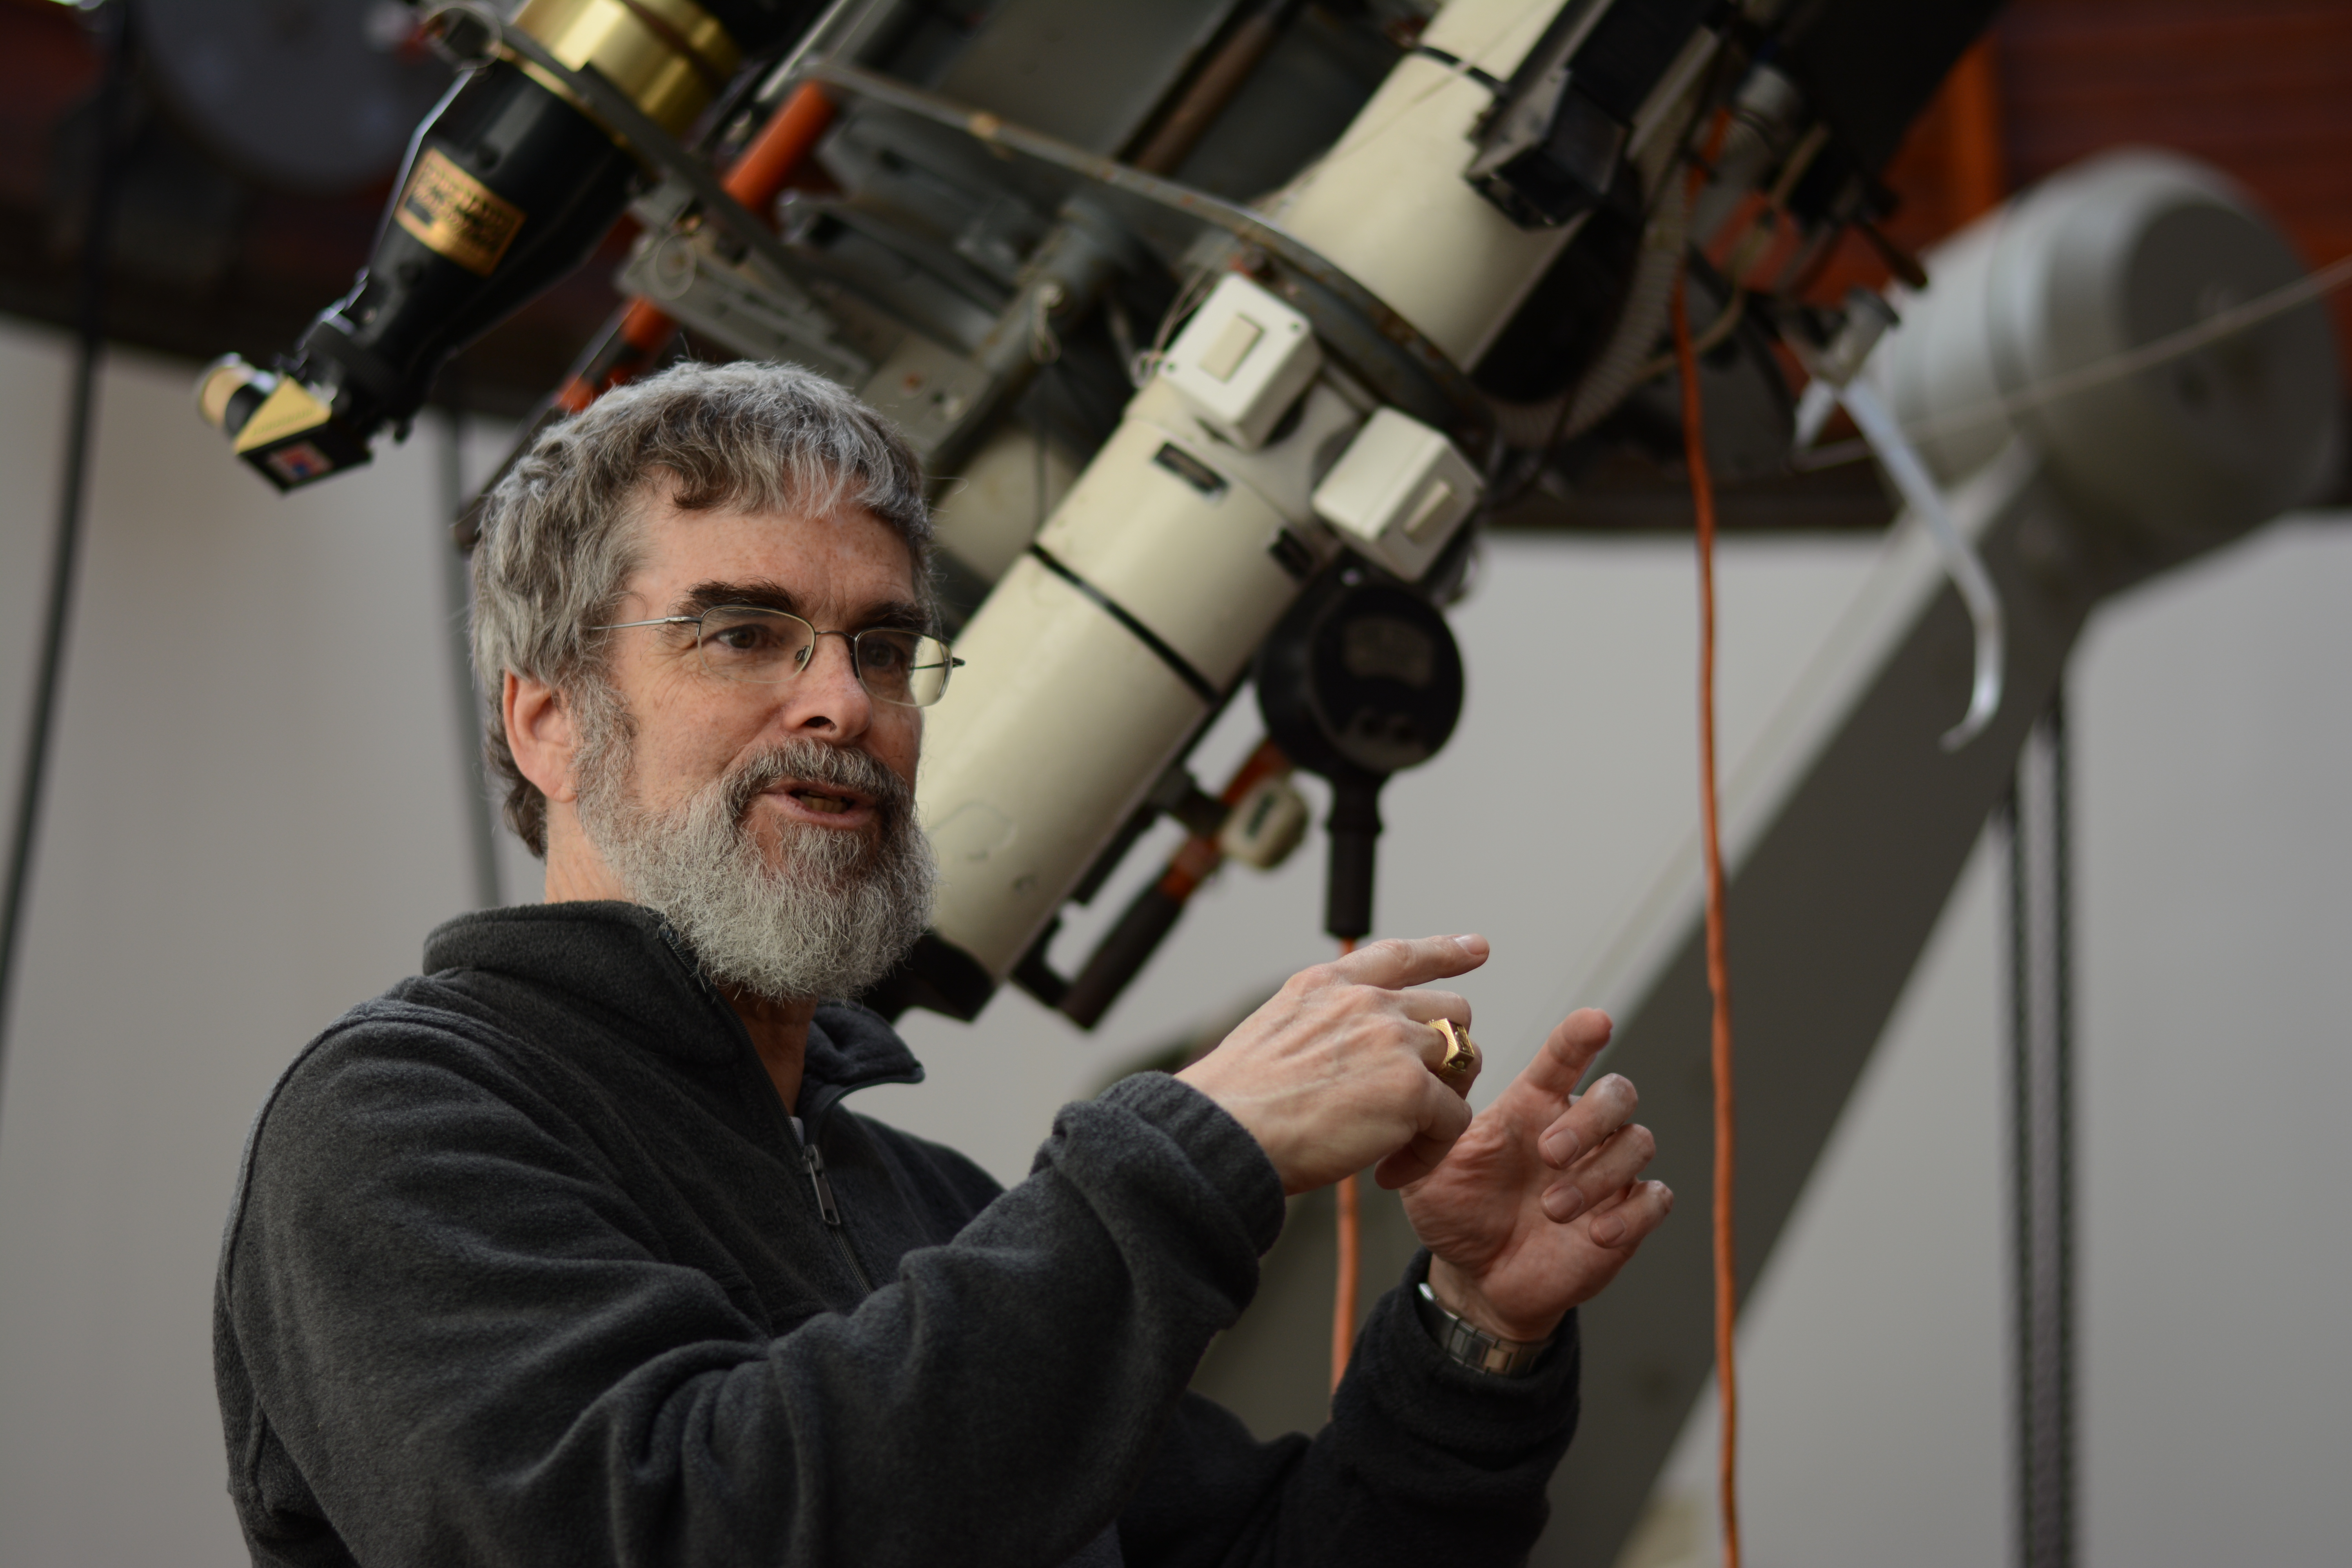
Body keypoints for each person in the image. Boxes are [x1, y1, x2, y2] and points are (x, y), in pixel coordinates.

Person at [212, 360, 1672, 1568]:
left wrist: (1474, 1332)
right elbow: (666, 1532)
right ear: (550, 723)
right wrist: (1193, 1151)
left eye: (886, 647)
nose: (844, 702)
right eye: (743, 632)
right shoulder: (400, 1120)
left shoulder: (926, 1204)